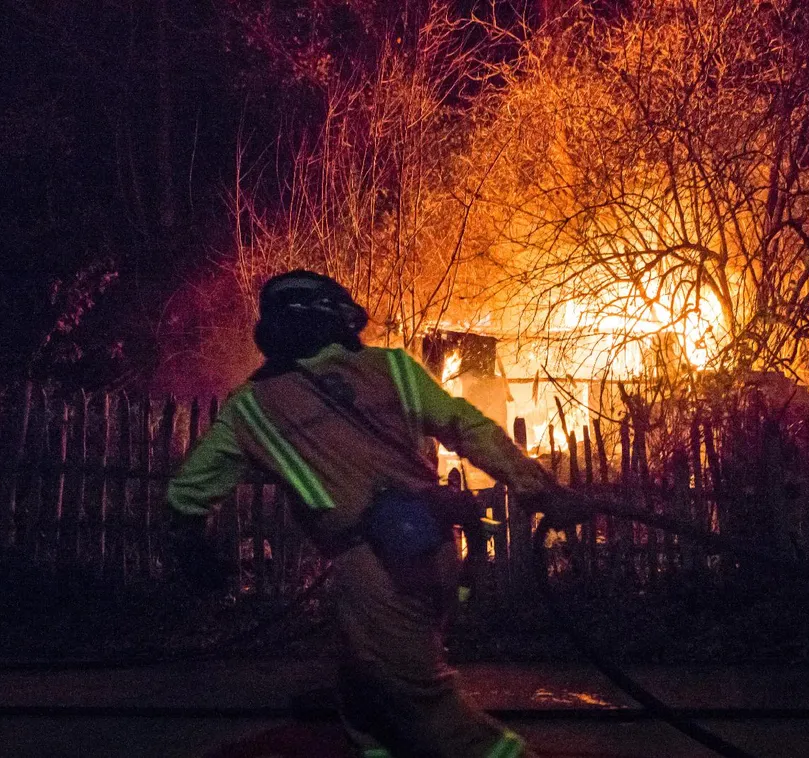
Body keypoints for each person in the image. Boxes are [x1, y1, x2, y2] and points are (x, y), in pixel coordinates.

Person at [167, 270, 582, 758]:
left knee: (430, 718)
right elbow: (467, 426)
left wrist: (192, 547)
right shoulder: (393, 369)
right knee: (365, 702)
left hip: (374, 573)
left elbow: (186, 496)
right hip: (437, 551)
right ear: (340, 319)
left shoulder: (252, 408)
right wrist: (539, 487)